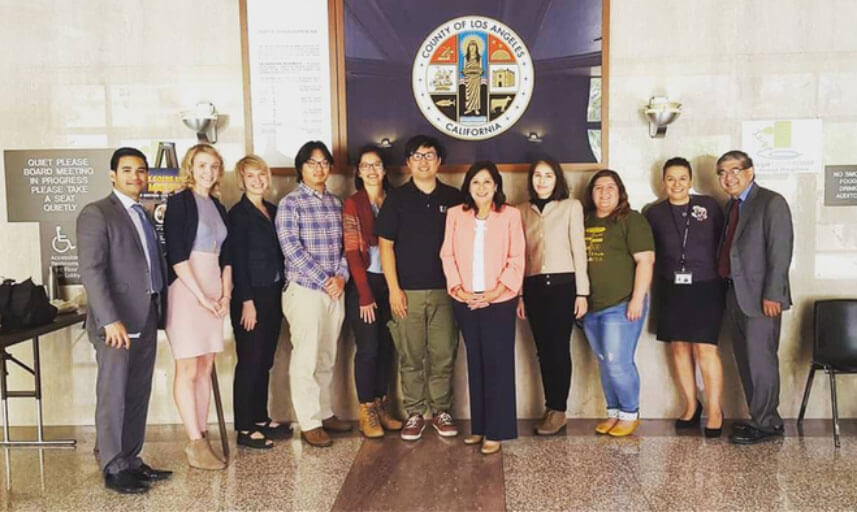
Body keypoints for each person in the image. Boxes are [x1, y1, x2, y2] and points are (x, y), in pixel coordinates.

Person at [77, 147, 172, 494]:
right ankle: (113, 466)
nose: (136, 176)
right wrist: (109, 319)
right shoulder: (97, 213)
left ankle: (131, 459)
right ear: (113, 174)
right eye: (128, 170)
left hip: (145, 315)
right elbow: (92, 271)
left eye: (141, 170)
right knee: (113, 393)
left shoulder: (142, 214)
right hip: (115, 322)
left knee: (137, 392)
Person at [376, 134, 463, 441]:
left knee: (443, 353)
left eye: (430, 155)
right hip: (407, 293)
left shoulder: (454, 198)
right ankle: (415, 413)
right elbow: (385, 247)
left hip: (446, 291)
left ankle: (440, 410)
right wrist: (393, 290)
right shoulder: (396, 200)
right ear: (408, 162)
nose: (423, 161)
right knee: (410, 355)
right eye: (417, 156)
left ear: (439, 161)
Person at [440, 161, 525, 455]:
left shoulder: (510, 215)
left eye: (487, 182)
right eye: (475, 182)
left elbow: (517, 258)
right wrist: (459, 290)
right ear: (468, 186)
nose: (481, 187)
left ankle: (497, 431)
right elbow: (447, 255)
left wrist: (495, 292)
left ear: (497, 185)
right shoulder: (455, 215)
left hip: (498, 301)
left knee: (498, 364)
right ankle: (480, 426)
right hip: (465, 300)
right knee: (475, 361)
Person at [276, 140, 351, 448]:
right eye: (312, 163)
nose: (319, 168)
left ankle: (324, 412)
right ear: (301, 168)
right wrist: (324, 279)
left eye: (324, 163)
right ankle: (308, 422)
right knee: (306, 357)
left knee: (327, 355)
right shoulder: (290, 203)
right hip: (305, 290)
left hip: (335, 291)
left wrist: (342, 277)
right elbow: (291, 249)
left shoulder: (336, 203)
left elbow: (349, 245)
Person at [715, 150, 793, 445]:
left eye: (734, 170)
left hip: (762, 299)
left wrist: (774, 293)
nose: (727, 177)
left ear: (750, 171)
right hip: (735, 294)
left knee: (761, 361)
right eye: (721, 172)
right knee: (746, 361)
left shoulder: (771, 202)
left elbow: (780, 251)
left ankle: (769, 422)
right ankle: (759, 418)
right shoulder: (731, 205)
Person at [644, 157, 726, 437]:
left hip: (706, 286)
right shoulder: (653, 213)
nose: (676, 184)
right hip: (670, 287)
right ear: (663, 182)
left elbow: (723, 243)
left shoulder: (710, 207)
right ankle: (692, 406)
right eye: (670, 178)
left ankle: (715, 410)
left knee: (705, 348)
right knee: (678, 347)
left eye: (682, 178)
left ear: (690, 181)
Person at [164, 143, 231, 470]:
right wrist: (202, 297)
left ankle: (202, 433)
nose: (209, 172)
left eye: (214, 166)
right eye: (202, 165)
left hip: (214, 291)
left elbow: (227, 256)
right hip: (187, 290)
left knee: (206, 365)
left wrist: (225, 295)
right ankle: (194, 442)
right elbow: (177, 256)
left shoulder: (218, 206)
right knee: (188, 367)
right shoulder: (179, 203)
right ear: (191, 167)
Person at [516, 158, 589, 436]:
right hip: (534, 286)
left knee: (559, 349)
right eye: (537, 175)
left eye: (548, 175)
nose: (542, 180)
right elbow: (521, 254)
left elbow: (579, 251)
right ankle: (551, 406)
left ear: (557, 179)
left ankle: (559, 409)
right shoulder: (522, 211)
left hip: (563, 286)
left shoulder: (571, 207)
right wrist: (521, 295)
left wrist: (582, 292)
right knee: (543, 350)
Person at [582, 169, 655, 437]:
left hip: (622, 305)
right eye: (598, 188)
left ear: (620, 191)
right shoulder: (585, 219)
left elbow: (645, 260)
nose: (604, 192)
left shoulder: (631, 220)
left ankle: (630, 412)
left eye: (610, 187)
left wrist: (637, 299)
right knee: (604, 361)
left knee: (618, 362)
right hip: (591, 307)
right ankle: (613, 412)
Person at [227, 155, 292, 449]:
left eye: (261, 174)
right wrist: (246, 301)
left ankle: (260, 418)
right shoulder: (238, 215)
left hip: (273, 292)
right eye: (251, 176)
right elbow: (237, 261)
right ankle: (243, 427)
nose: (258, 180)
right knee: (250, 361)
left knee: (264, 360)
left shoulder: (272, 210)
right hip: (250, 296)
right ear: (242, 180)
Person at [343, 145, 403, 438]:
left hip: (390, 284)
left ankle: (381, 406)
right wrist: (365, 295)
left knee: (387, 348)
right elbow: (353, 252)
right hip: (364, 283)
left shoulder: (395, 199)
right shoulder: (353, 203)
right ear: (358, 171)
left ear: (384, 169)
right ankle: (366, 409)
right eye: (365, 165)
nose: (371, 170)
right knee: (368, 349)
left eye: (376, 164)